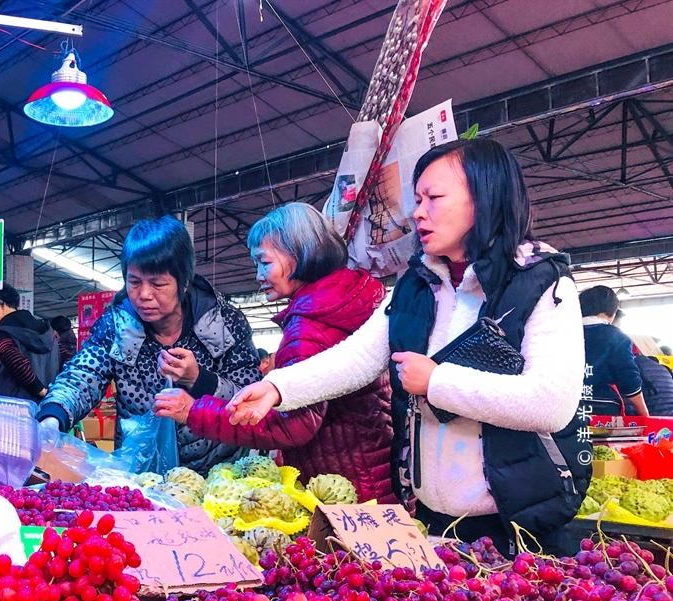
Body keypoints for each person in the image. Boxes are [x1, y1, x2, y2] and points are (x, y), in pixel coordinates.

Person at [225, 138, 588, 551]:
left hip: (519, 525)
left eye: (434, 198)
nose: (418, 212)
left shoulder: (541, 281)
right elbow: (361, 356)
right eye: (417, 199)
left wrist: (436, 382)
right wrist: (279, 388)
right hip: (434, 520)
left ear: (485, 198)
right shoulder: (420, 282)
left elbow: (551, 403)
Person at [154, 203, 393, 502]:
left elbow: (292, 424)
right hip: (370, 469)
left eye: (264, 262)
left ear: (299, 253)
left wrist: (194, 411)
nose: (258, 275)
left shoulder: (311, 326)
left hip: (341, 489)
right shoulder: (345, 303)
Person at [38, 216, 262, 475]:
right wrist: (54, 415)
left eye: (157, 283)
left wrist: (200, 380)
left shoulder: (224, 323)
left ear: (184, 282)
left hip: (216, 474)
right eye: (134, 282)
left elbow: (249, 398)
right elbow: (83, 375)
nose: (144, 294)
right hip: (143, 473)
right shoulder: (116, 325)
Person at [0, 286, 60, 400]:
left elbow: (14, 360)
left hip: (10, 408)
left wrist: (41, 390)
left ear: (1, 304)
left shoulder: (0, 334)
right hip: (45, 408)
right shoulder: (48, 332)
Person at [578, 286, 648, 416]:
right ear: (612, 313)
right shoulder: (616, 336)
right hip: (602, 408)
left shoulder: (560, 333)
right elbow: (628, 379)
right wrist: (644, 413)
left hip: (562, 410)